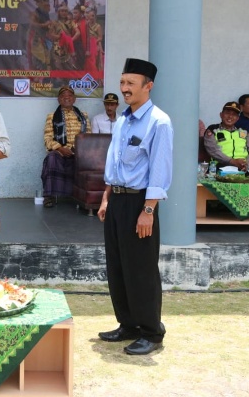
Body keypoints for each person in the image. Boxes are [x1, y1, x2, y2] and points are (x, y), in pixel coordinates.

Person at [97, 58, 172, 356]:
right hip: (116, 200)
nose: (124, 89)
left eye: (130, 83)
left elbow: (160, 169)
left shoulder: (159, 122)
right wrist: (106, 197)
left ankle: (152, 332)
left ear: (148, 86)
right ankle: (128, 324)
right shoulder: (124, 120)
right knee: (117, 266)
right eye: (122, 82)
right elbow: (114, 163)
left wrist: (149, 210)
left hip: (140, 202)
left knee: (140, 268)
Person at [41, 85, 91, 208]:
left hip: (78, 151)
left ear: (74, 99)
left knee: (84, 162)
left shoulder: (83, 116)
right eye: (63, 96)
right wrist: (60, 149)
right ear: (59, 99)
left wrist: (75, 149)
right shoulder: (52, 116)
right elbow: (47, 139)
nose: (66, 98)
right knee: (51, 158)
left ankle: (79, 196)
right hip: (59, 151)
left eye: (69, 96)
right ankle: (49, 196)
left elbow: (88, 136)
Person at [204, 102, 249, 170]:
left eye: (234, 114)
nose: (230, 116)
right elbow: (213, 151)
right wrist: (232, 161)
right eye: (227, 113)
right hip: (221, 167)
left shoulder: (243, 131)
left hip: (243, 167)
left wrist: (247, 163)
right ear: (221, 115)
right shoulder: (213, 130)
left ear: (237, 118)